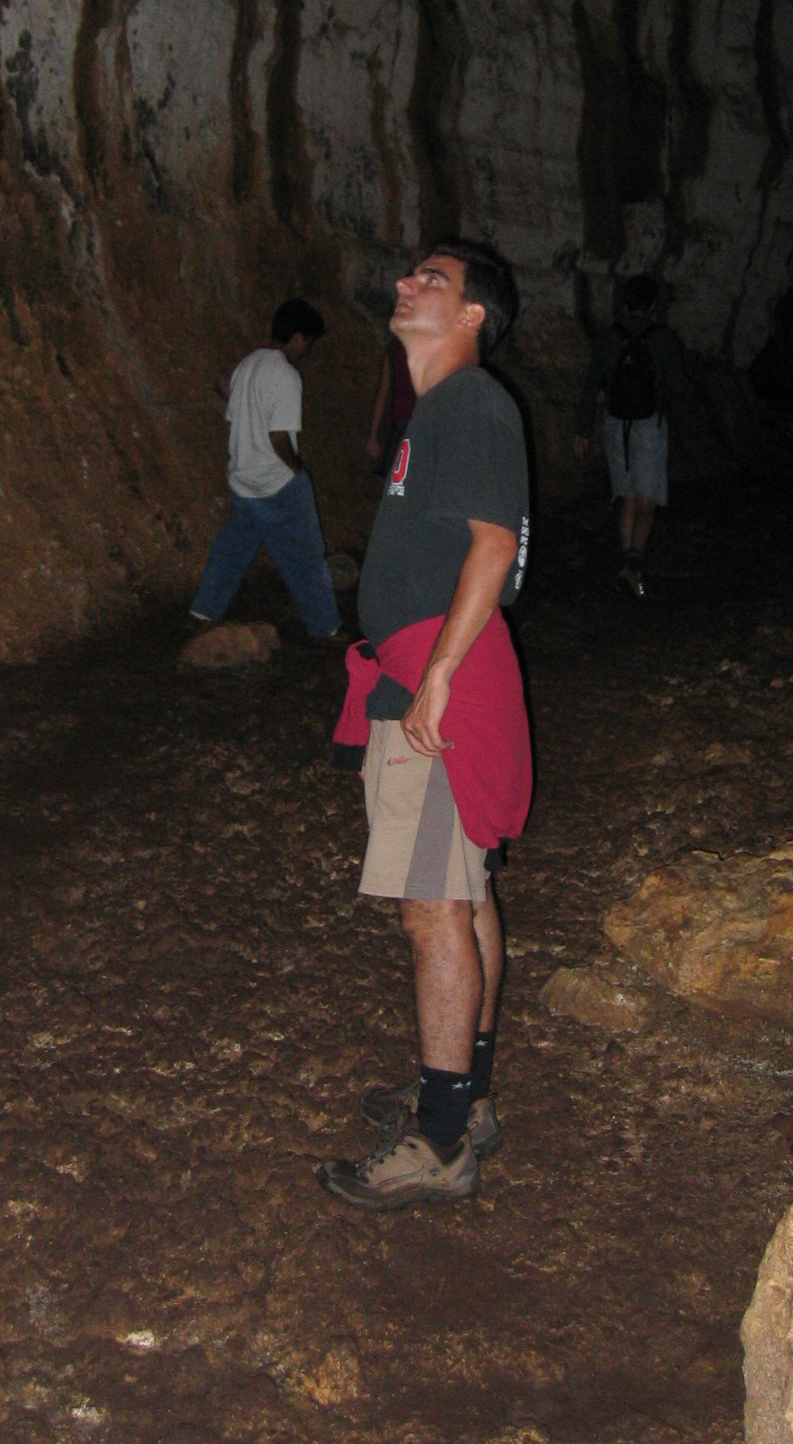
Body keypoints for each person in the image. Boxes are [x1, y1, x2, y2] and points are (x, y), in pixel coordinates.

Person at [319, 241, 531, 1210]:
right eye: (409, 274)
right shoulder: (438, 411)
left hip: (440, 679)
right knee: (464, 891)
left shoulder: (471, 402)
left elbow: (493, 544)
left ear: (474, 314)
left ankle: (441, 1138)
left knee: (432, 905)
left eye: (432, 280)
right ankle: (465, 1098)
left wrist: (439, 673)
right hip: (426, 668)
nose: (406, 284)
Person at [188, 299, 343, 639]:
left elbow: (231, 416)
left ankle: (203, 612)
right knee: (306, 558)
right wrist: (297, 469)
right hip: (277, 483)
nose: (306, 351)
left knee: (231, 550)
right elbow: (278, 436)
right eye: (308, 343)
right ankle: (326, 627)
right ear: (298, 337)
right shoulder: (286, 375)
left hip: (243, 481)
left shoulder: (247, 365)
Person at [573, 273, 687, 598]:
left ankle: (626, 558)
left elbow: (590, 384)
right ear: (652, 305)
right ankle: (634, 564)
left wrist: (583, 430)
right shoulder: (663, 339)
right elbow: (679, 384)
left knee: (626, 496)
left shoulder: (610, 338)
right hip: (650, 425)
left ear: (625, 303)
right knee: (646, 500)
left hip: (615, 424)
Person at [364, 332, 416, 470]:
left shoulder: (394, 349)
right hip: (410, 422)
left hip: (399, 421)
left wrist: (373, 435)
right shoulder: (423, 348)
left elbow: (383, 393)